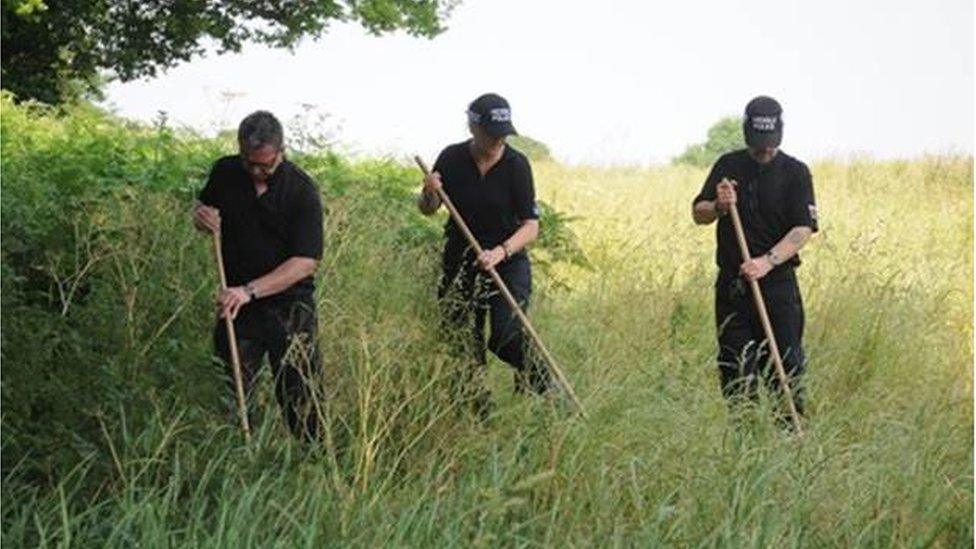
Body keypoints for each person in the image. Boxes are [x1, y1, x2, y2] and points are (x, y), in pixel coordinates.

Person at [418, 93, 553, 416]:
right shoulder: (451, 158)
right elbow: (429, 210)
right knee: (463, 343)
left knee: (506, 336)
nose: (497, 141)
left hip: (507, 261)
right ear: (472, 126)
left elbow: (531, 226)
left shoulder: (517, 165)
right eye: (491, 133)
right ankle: (478, 416)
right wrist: (428, 192)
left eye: (502, 134)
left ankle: (545, 386)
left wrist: (501, 252)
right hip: (460, 261)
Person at [193, 111, 323, 440]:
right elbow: (203, 209)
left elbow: (305, 262)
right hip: (235, 304)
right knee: (233, 389)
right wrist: (203, 218)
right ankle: (239, 456)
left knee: (300, 392)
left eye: (264, 165)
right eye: (249, 162)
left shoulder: (302, 190)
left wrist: (249, 291)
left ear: (281, 150)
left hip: (288, 305)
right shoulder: (225, 171)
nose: (256, 171)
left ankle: (314, 461)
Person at [691, 96, 818, 423]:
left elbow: (803, 229)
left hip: (776, 286)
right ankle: (743, 438)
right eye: (759, 144)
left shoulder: (795, 173)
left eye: (770, 143)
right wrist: (718, 205)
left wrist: (767, 261)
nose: (764, 151)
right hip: (733, 289)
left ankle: (791, 437)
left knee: (786, 367)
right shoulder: (727, 166)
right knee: (735, 370)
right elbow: (698, 213)